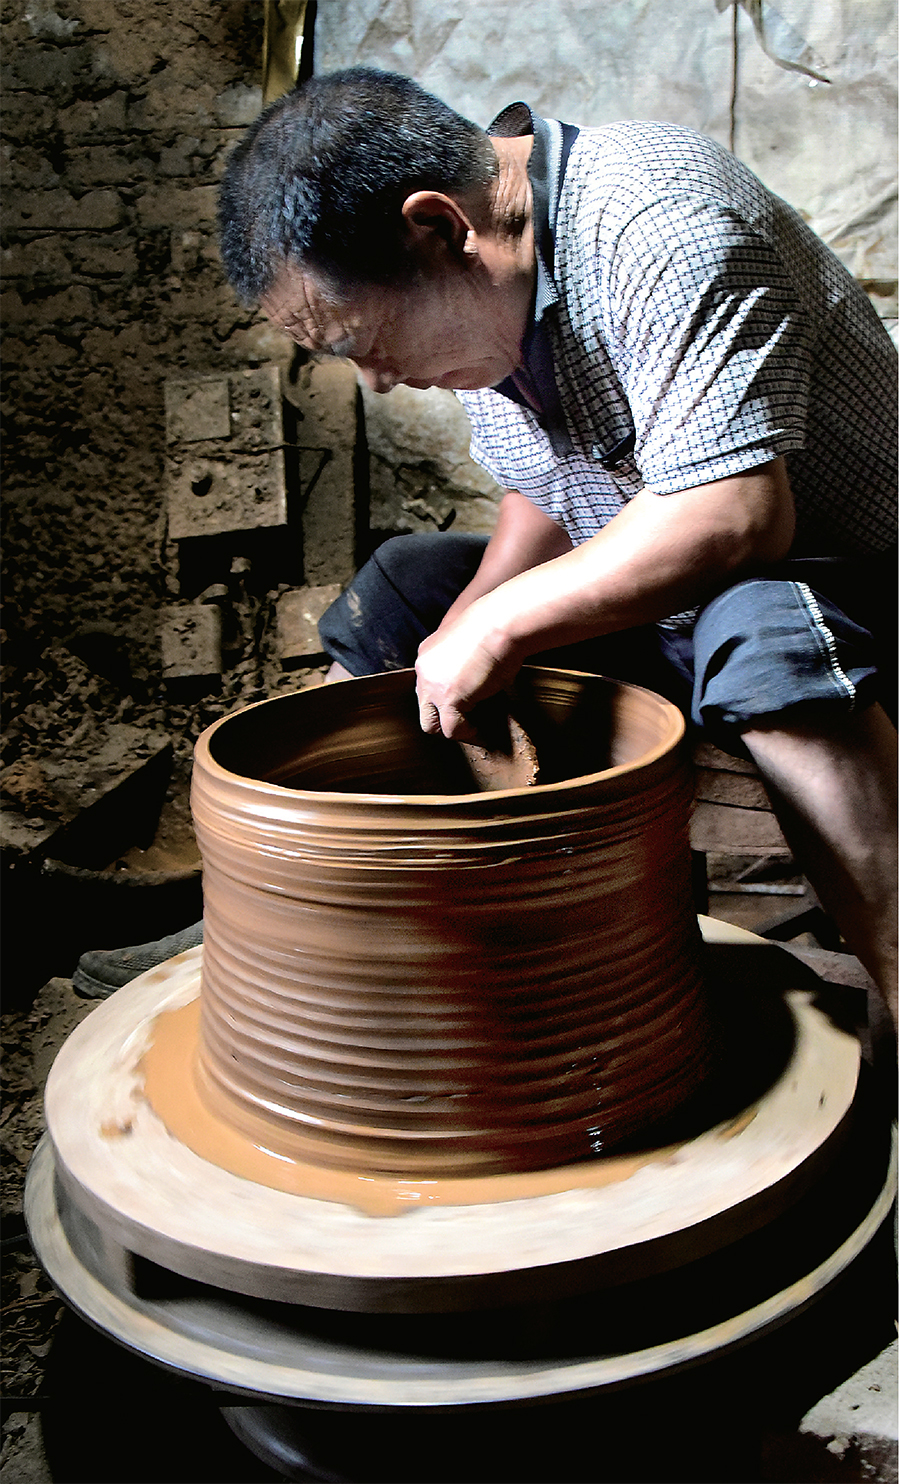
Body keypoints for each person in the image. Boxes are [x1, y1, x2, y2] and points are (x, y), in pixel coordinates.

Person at [97, 66, 889, 1024]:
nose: (376, 380)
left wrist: (501, 625)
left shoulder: (661, 217)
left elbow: (735, 515)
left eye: (362, 342)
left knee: (764, 630)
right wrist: (466, 620)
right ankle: (273, 922)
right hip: (686, 604)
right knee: (407, 589)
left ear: (437, 228)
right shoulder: (493, 288)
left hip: (848, 591)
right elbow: (546, 491)